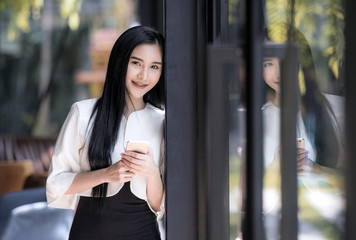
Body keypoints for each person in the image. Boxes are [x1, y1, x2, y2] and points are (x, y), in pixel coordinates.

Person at [46, 26, 165, 240]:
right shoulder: (82, 113)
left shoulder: (163, 121)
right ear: (120, 62)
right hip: (89, 233)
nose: (144, 75)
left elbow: (159, 205)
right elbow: (56, 184)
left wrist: (152, 172)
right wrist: (106, 174)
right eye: (136, 63)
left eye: (154, 66)